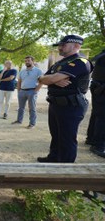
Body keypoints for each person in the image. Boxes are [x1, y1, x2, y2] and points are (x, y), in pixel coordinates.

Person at [37, 35, 92, 163]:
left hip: (71, 106)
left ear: (76, 46)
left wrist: (51, 79)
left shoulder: (81, 62)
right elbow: (43, 78)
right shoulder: (60, 63)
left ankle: (66, 169)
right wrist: (52, 80)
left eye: (63, 45)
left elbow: (49, 79)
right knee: (56, 135)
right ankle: (54, 158)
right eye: (59, 45)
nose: (60, 48)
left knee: (67, 138)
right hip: (55, 104)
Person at [12, 56, 43, 129]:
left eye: (28, 61)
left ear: (32, 61)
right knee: (20, 108)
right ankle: (19, 120)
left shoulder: (38, 71)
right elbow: (19, 81)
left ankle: (32, 124)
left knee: (32, 108)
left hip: (32, 91)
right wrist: (19, 91)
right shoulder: (22, 71)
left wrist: (36, 91)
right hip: (22, 91)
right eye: (25, 61)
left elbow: (41, 81)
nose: (27, 62)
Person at [86, 49, 105, 158]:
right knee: (102, 116)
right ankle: (98, 145)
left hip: (98, 86)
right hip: (101, 87)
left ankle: (92, 139)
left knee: (97, 114)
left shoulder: (102, 53)